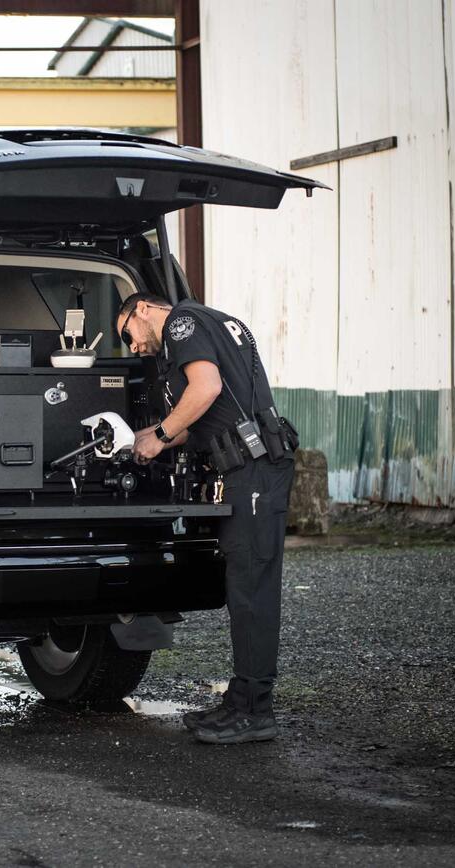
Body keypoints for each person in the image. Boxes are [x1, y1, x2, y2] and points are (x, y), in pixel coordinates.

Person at [116, 290, 297, 744]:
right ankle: (241, 700)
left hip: (252, 468)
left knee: (252, 588)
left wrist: (158, 435)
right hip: (253, 463)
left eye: (128, 335)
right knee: (243, 586)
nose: (133, 347)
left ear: (143, 309)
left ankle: (256, 712)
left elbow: (206, 389)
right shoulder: (213, 319)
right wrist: (146, 437)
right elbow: (203, 413)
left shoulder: (181, 323)